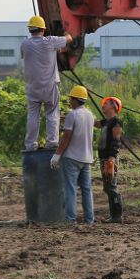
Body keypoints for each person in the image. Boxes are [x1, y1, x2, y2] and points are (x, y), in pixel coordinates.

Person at [21, 15, 73, 152]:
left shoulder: (24, 44)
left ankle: (31, 145)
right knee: (52, 113)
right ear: (43, 29)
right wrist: (64, 32)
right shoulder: (50, 41)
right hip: (50, 86)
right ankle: (52, 143)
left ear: (30, 30)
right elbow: (69, 39)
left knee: (33, 116)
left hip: (33, 86)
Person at [51, 85, 96, 225]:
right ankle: (89, 220)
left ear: (76, 100)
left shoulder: (72, 115)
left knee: (70, 189)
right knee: (87, 190)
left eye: (71, 98)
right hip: (87, 158)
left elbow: (66, 138)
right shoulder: (90, 115)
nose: (69, 101)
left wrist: (57, 155)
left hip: (72, 158)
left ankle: (71, 220)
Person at [95, 96, 124, 223]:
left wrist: (112, 158)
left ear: (113, 106)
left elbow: (117, 140)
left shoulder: (116, 121)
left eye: (105, 103)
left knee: (111, 187)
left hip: (109, 159)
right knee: (107, 187)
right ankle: (113, 215)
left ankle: (117, 215)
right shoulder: (105, 122)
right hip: (104, 159)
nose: (103, 105)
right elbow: (93, 123)